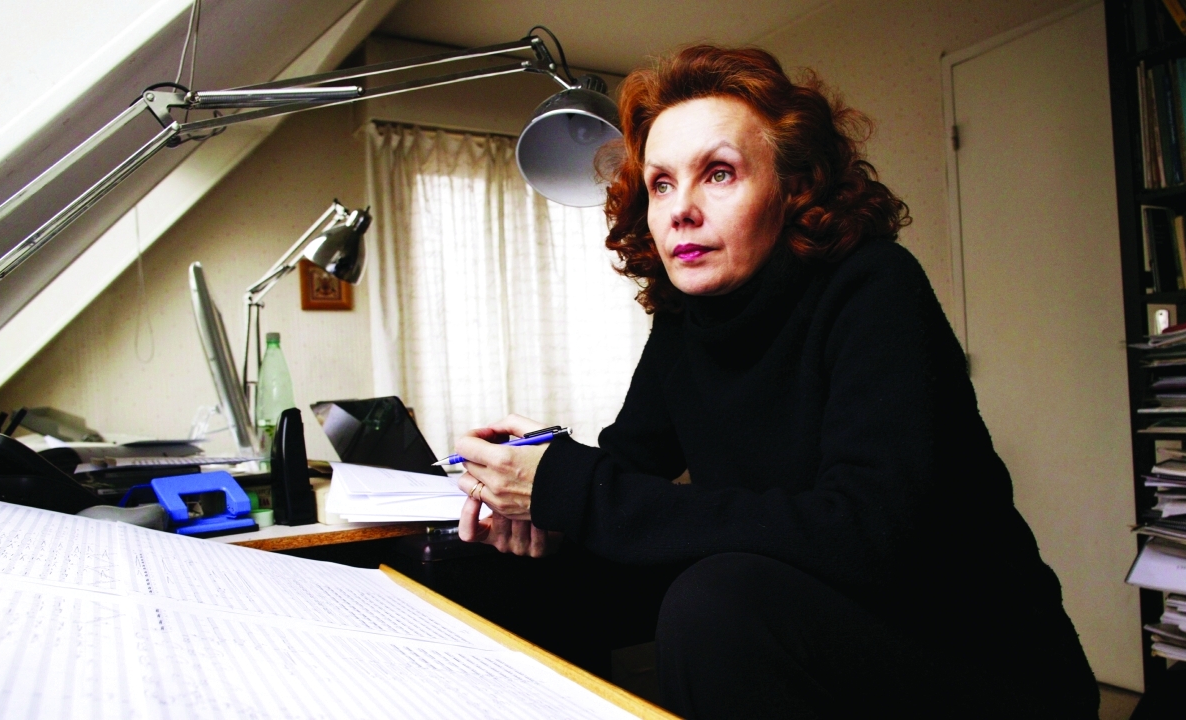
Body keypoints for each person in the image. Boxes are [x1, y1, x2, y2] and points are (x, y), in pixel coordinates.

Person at [452, 45, 1099, 719]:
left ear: (794, 187)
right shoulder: (685, 320)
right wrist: (537, 498)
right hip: (817, 616)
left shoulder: (874, 287)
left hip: (977, 657)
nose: (680, 210)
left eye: (719, 174)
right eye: (662, 184)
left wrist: (578, 491)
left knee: (716, 602)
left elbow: (866, 534)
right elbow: (625, 473)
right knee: (495, 572)